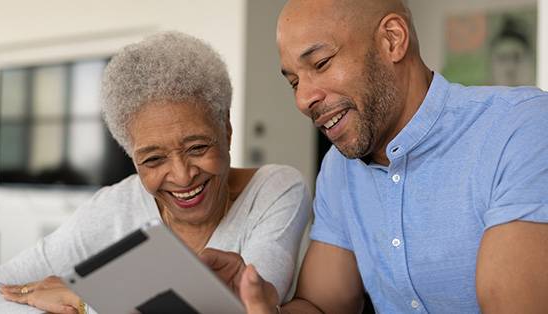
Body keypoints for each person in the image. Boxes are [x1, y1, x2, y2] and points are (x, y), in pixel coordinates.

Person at [201, 0, 548, 313]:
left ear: (392, 40)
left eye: (320, 63)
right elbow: (323, 306)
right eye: (294, 82)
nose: (303, 99)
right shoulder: (339, 167)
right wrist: (255, 305)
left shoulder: (520, 128)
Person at [0, 31, 310, 313]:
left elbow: (245, 306)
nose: (182, 175)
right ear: (132, 157)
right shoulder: (114, 207)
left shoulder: (276, 189)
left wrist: (85, 305)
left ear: (227, 131)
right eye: (153, 159)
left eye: (198, 148)